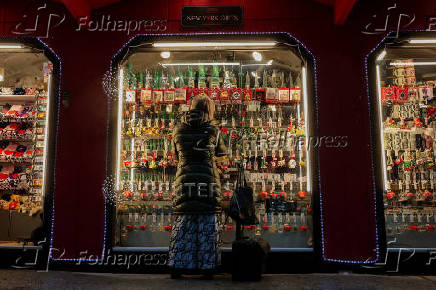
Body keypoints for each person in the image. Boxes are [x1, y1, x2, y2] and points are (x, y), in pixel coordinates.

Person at [168, 94, 227, 279]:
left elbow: (175, 157)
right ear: (209, 110)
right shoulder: (212, 130)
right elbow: (222, 154)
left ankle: (178, 266)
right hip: (207, 182)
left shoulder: (178, 130)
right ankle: (206, 267)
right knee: (207, 224)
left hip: (184, 182)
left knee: (184, 224)